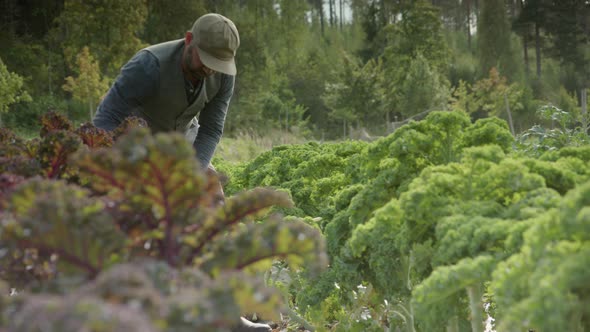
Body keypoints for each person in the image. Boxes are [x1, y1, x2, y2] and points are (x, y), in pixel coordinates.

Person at [93, 13, 271, 332]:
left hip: (183, 138)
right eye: (205, 59)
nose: (209, 69)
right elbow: (104, 121)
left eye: (217, 64)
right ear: (189, 40)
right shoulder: (148, 65)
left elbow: (212, 129)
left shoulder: (223, 72)